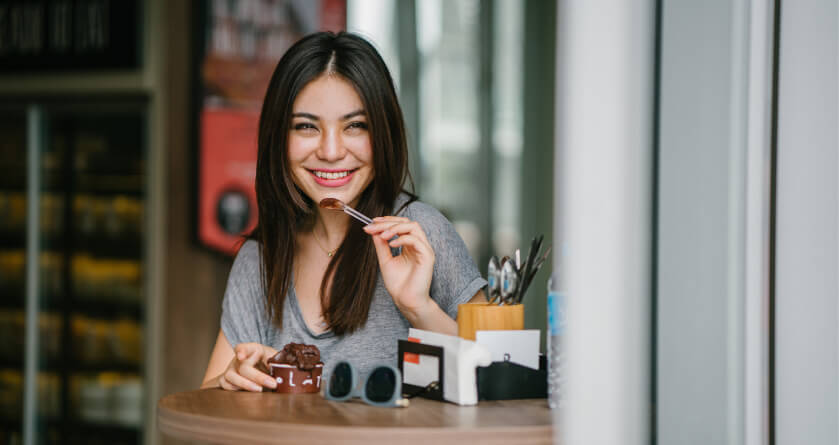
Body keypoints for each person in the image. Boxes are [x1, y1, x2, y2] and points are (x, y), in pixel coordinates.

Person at [201, 31, 487, 392]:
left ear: (383, 133)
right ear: (279, 137)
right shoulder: (260, 257)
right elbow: (207, 401)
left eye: (355, 126)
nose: (332, 151)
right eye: (306, 126)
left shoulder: (420, 233)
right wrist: (233, 381)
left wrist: (419, 308)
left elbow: (498, 383)